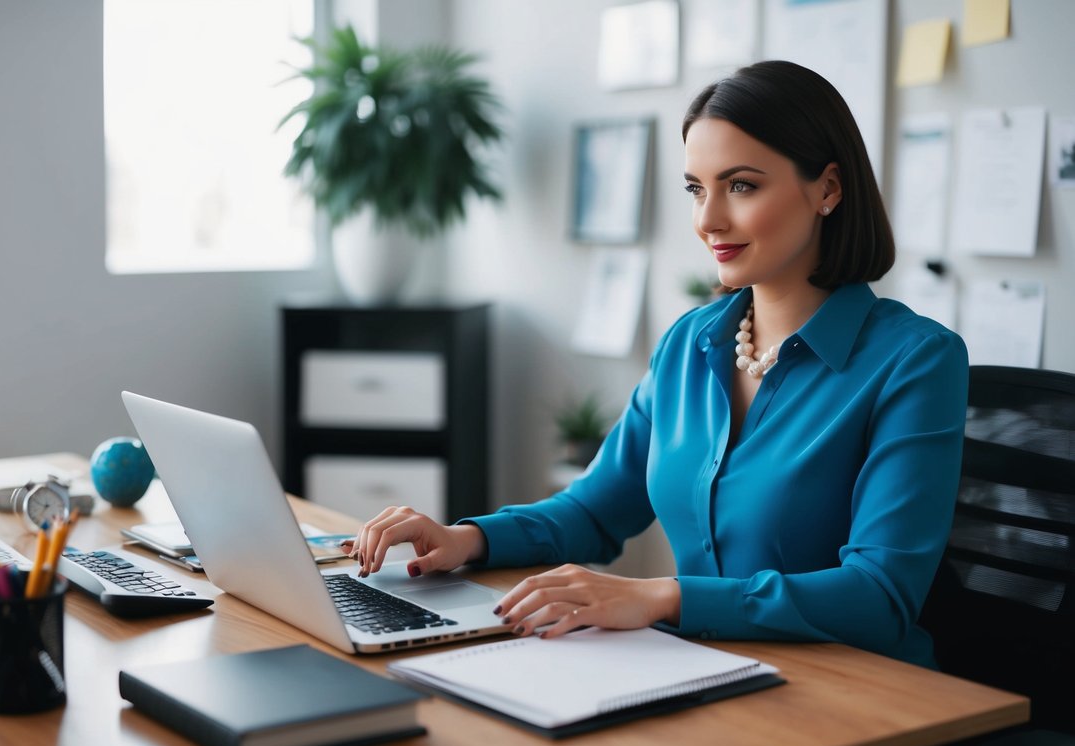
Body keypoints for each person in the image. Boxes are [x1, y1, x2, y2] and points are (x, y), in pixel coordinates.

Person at [343, 60, 968, 669]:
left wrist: (660, 595)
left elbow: (880, 597)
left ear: (827, 189)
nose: (707, 220)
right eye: (698, 188)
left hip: (859, 695)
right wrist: (466, 539)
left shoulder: (915, 361)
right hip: (704, 670)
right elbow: (593, 511)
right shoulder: (690, 343)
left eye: (741, 185)